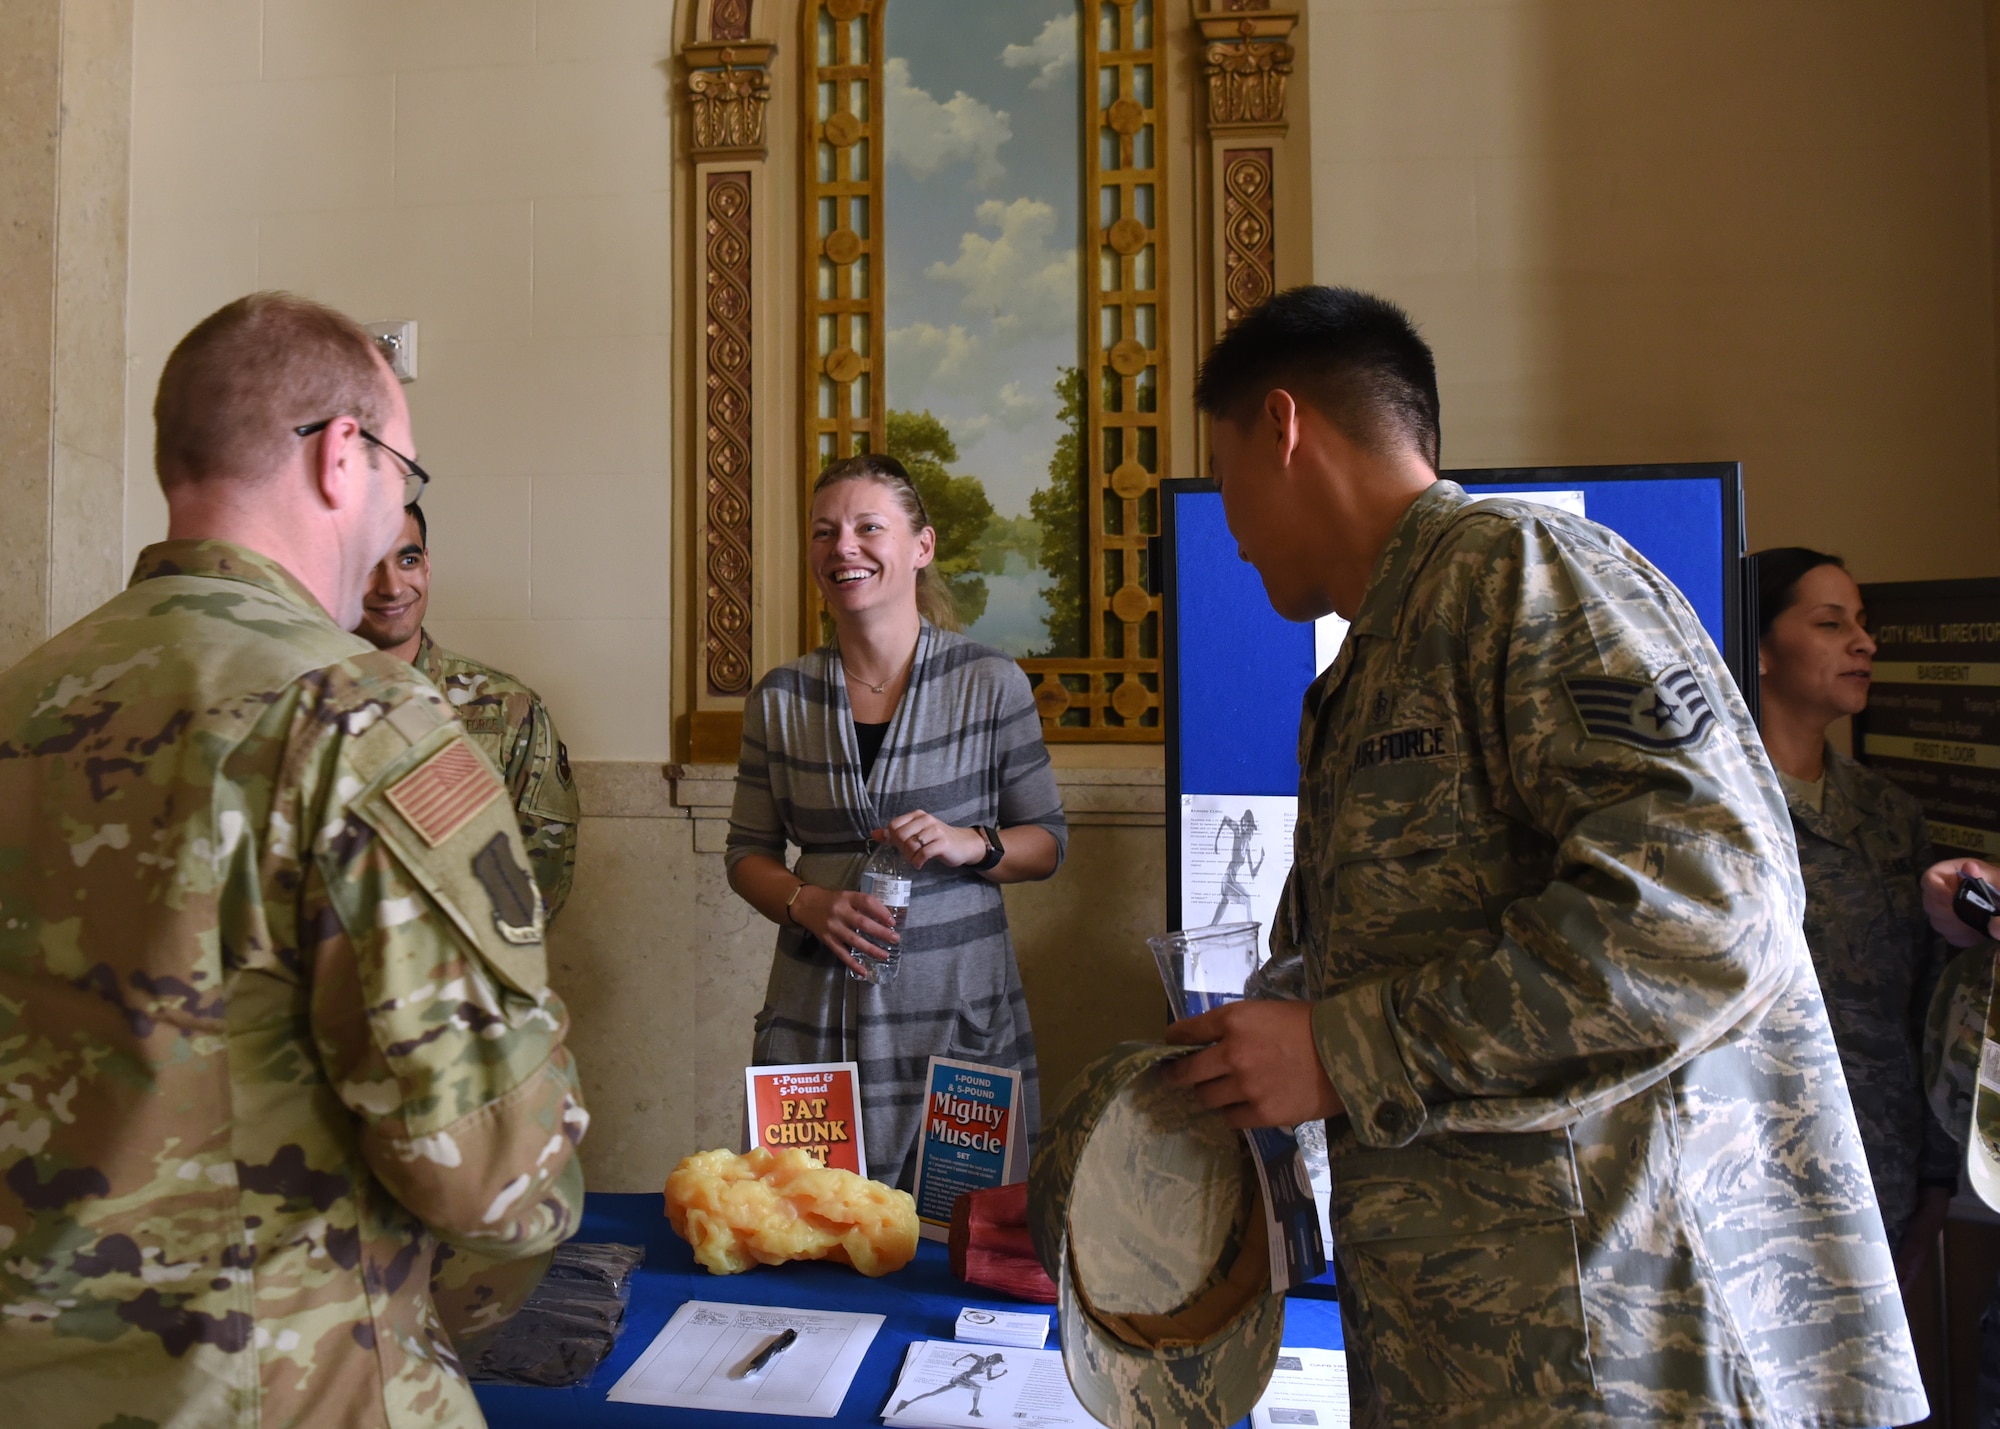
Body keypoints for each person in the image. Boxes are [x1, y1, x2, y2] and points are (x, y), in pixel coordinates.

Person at [1164, 285, 1925, 1427]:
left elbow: (1706, 910)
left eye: (1221, 475)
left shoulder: (1524, 574)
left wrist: (1344, 1046)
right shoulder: (1375, 660)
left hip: (1619, 1344)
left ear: (1281, 429)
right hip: (1478, 1354)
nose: (1222, 522)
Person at [0, 293, 588, 1428]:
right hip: (282, 1383)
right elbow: (495, 1177)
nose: (394, 519)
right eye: (402, 479)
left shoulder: (23, 699)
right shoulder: (360, 721)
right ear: (340, 458)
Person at [725, 454, 1065, 1190]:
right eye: (824, 532)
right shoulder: (779, 699)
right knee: (805, 1236)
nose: (842, 546)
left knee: (959, 1241)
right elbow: (746, 852)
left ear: (922, 547)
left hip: (955, 1023)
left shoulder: (989, 683)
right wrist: (806, 902)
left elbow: (1046, 843)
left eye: (867, 527)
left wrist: (968, 842)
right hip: (813, 1019)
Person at [1751, 546, 1957, 1295]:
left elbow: (1929, 1013)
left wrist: (1936, 1182)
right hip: (1750, 1193)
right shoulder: (1713, 809)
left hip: (1880, 1183)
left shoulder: (1891, 818)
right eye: (1832, 623)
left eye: (1863, 624)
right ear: (1762, 648)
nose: (1864, 642)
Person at [357, 502, 581, 920]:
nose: (391, 586)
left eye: (408, 559)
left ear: (427, 567)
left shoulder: (509, 710)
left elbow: (539, 884)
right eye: (368, 564)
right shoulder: (297, 702)